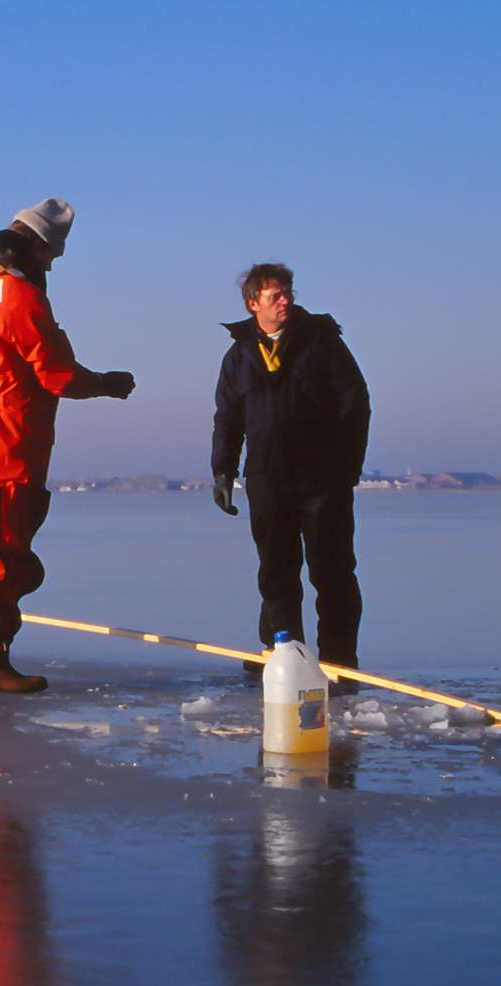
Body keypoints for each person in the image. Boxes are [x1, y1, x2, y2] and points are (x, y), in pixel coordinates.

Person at [0, 198, 135, 693]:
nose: (54, 264)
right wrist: (107, 383)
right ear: (38, 245)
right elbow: (56, 374)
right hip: (7, 432)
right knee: (0, 546)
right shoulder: (21, 296)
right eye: (53, 254)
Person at [210, 264, 369, 684]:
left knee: (331, 570)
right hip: (267, 478)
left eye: (288, 293)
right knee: (276, 571)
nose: (286, 300)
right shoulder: (239, 355)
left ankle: (339, 661)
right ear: (253, 303)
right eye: (276, 295)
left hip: (323, 479)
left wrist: (347, 469)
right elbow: (227, 419)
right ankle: (282, 653)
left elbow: (356, 405)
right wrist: (222, 471)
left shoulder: (323, 342)